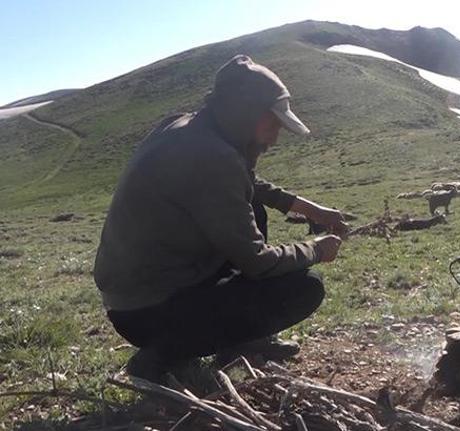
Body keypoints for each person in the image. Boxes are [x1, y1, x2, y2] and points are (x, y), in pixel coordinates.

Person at [93, 54, 347, 382]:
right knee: (305, 287)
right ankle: (161, 355)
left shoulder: (187, 128)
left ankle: (236, 341)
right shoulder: (213, 158)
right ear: (246, 114)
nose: (274, 139)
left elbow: (243, 183)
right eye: (272, 124)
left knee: (252, 208)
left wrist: (309, 209)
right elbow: (258, 262)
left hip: (137, 296)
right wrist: (316, 249)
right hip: (150, 312)